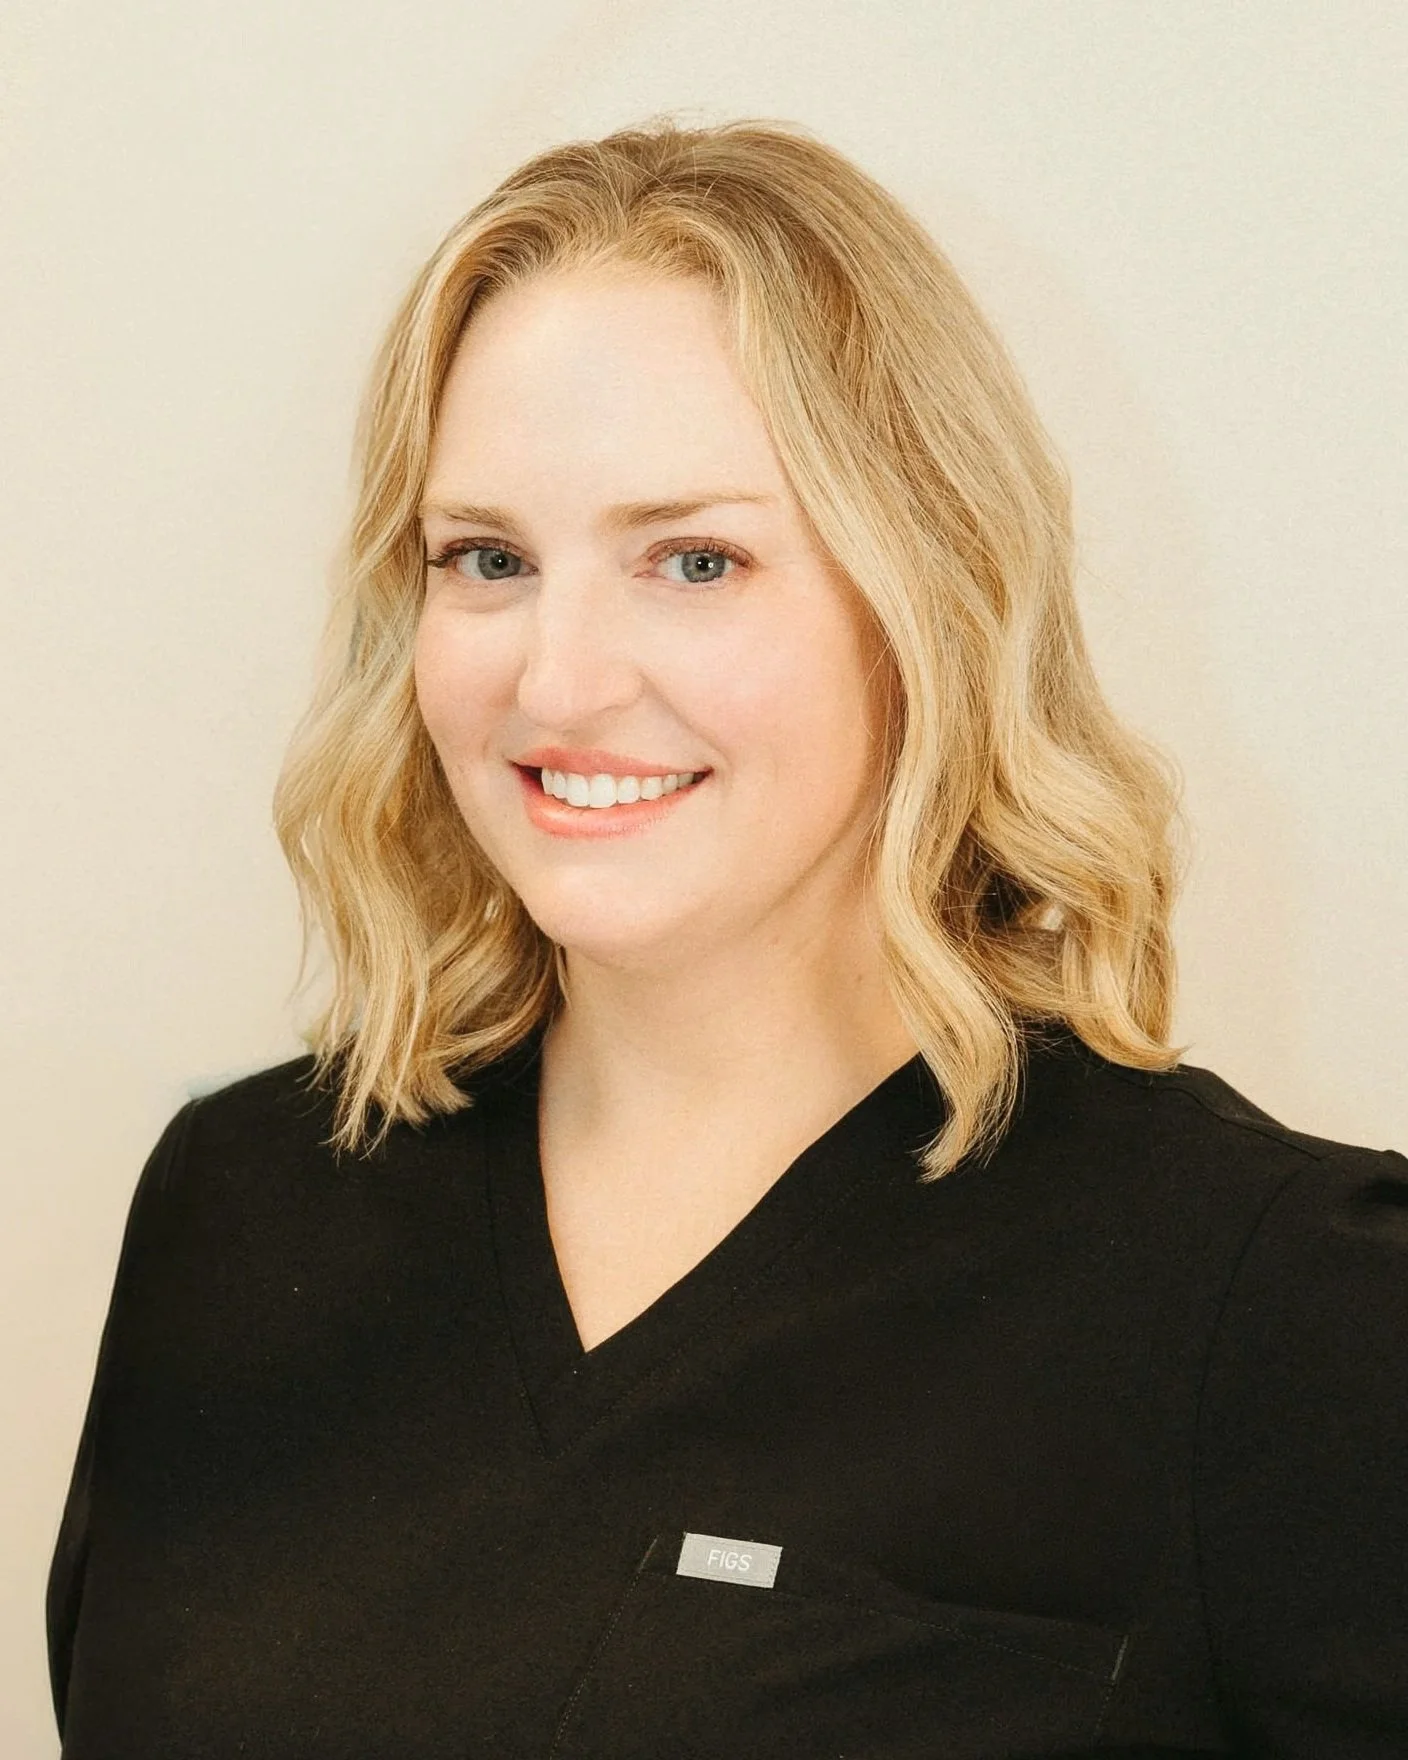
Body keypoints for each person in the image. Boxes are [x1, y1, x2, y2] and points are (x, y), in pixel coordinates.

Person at [46, 115, 1408, 1758]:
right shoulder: (243, 1202)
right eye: (487, 560)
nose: (556, 681)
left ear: (931, 597)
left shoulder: (1278, 1308)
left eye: (694, 559)